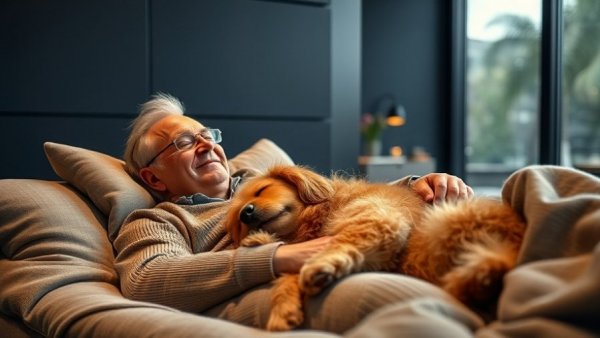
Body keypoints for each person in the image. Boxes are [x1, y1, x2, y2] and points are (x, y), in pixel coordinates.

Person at [113, 93, 476, 333]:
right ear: (152, 177)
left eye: (207, 135)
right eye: (185, 142)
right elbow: (146, 279)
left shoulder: (267, 178)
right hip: (307, 277)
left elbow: (341, 196)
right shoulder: (157, 220)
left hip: (370, 240)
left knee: (527, 189)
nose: (207, 145)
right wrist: (280, 258)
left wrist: (417, 184)